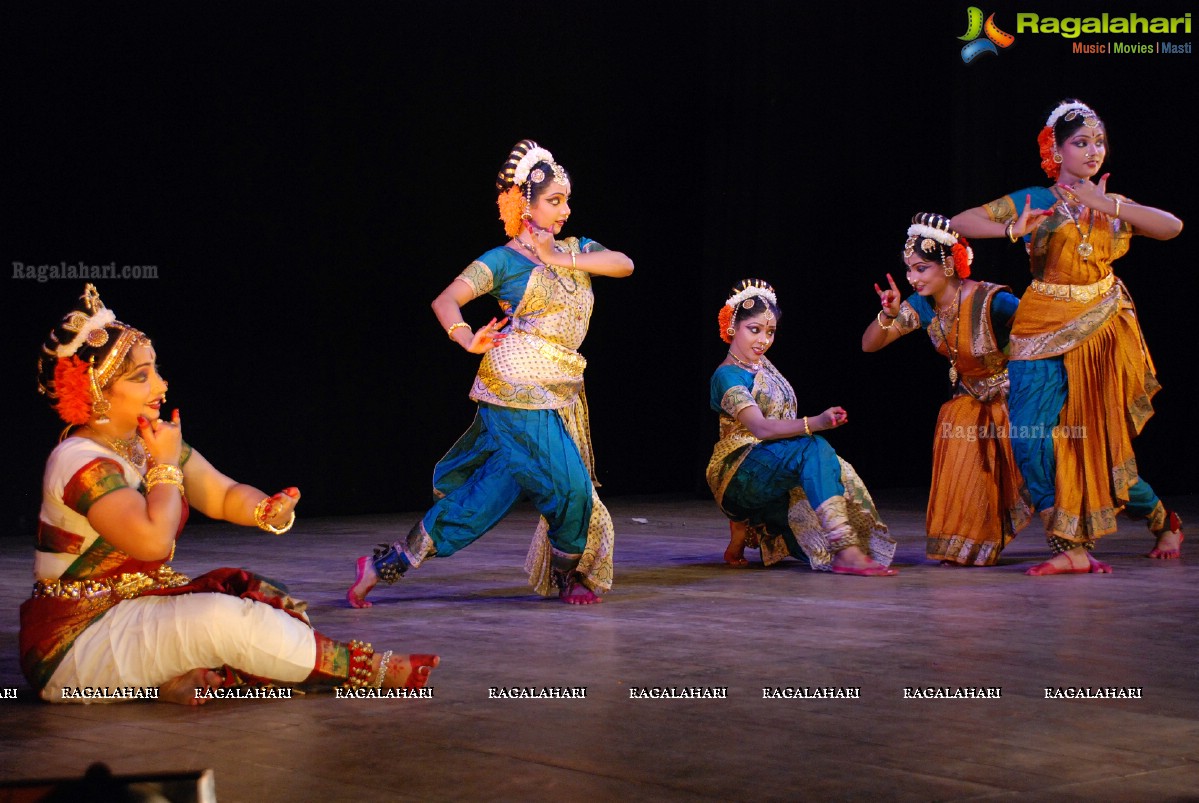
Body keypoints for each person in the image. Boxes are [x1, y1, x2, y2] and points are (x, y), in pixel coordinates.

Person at [22, 284, 437, 704]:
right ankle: (363, 670)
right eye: (141, 377)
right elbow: (151, 540)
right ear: (94, 393)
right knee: (222, 620)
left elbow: (220, 494)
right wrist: (165, 465)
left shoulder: (147, 442)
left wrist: (265, 510)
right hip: (75, 647)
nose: (161, 385)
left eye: (156, 369)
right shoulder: (79, 459)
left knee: (259, 602)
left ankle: (167, 681)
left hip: (134, 613)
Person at [348, 139, 633, 606]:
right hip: (515, 388)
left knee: (483, 500)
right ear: (526, 204)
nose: (564, 211)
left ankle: (385, 564)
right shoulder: (500, 261)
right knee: (573, 489)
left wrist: (558, 257)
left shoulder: (576, 249)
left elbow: (624, 265)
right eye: (554, 201)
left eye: (566, 200)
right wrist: (466, 337)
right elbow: (445, 301)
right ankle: (567, 576)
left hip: (558, 390)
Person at [951, 99, 1185, 575]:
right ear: (1056, 151)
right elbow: (960, 222)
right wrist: (1010, 229)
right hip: (1039, 330)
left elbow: (1172, 227)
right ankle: (1070, 541)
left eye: (1099, 142)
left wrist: (1108, 204)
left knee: (1097, 443)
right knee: (1031, 436)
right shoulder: (1038, 198)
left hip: (1100, 330)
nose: (1093, 150)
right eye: (1081, 142)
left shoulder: (1112, 203)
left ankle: (1159, 521)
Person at [862, 213, 1030, 566]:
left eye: (921, 268)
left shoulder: (992, 301)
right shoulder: (923, 306)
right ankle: (970, 544)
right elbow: (870, 345)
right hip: (970, 399)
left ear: (951, 265)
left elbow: (1037, 335)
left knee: (1064, 472)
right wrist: (888, 316)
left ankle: (1155, 519)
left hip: (1018, 399)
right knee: (957, 423)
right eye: (909, 269)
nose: (912, 278)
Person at [707, 279, 897, 576]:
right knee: (813, 445)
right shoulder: (727, 376)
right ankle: (846, 549)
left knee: (808, 544)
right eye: (754, 329)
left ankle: (751, 533)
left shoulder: (762, 367)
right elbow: (760, 429)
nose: (763, 340)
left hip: (773, 463)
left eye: (770, 332)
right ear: (733, 326)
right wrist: (815, 423)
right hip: (737, 471)